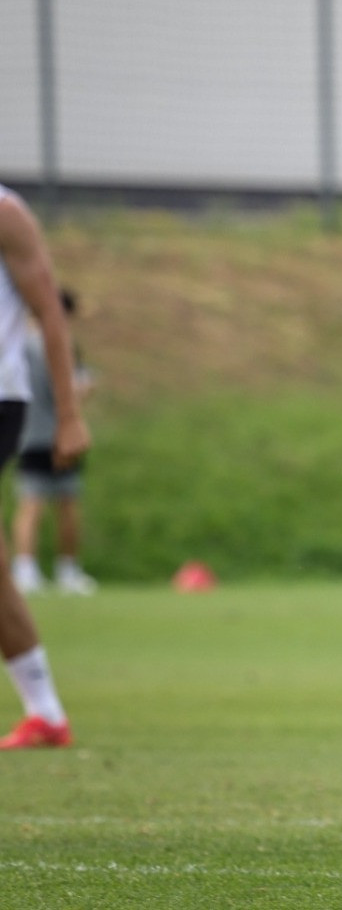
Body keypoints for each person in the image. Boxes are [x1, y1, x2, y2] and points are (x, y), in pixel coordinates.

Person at [0, 186, 91, 749]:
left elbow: (50, 313)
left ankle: (46, 710)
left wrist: (70, 415)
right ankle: (47, 713)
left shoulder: (5, 214)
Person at [10, 287, 97, 597]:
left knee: (31, 504)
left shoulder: (17, 343)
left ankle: (25, 569)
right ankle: (67, 570)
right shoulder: (55, 345)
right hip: (59, 434)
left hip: (26, 433)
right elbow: (72, 388)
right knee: (63, 504)